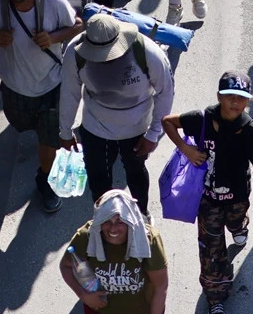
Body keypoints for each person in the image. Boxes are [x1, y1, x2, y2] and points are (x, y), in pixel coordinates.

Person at [162, 71, 253, 314]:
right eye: (230, 97)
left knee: (235, 224)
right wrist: (187, 149)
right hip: (207, 201)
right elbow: (167, 122)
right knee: (212, 251)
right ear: (219, 96)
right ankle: (215, 296)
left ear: (248, 101)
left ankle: (239, 226)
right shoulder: (201, 119)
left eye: (241, 98)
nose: (235, 103)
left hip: (238, 199)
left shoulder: (248, 131)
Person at [0, 0, 83, 213]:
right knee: (22, 124)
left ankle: (45, 181)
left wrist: (52, 37)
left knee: (48, 140)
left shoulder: (53, 1)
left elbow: (77, 25)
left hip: (51, 85)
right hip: (15, 88)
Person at [59, 13, 175, 217]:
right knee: (98, 177)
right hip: (95, 126)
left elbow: (165, 91)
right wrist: (65, 131)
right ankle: (104, 218)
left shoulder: (147, 51)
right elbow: (69, 93)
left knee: (135, 171)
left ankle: (141, 215)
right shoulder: (74, 52)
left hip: (137, 128)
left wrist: (153, 133)